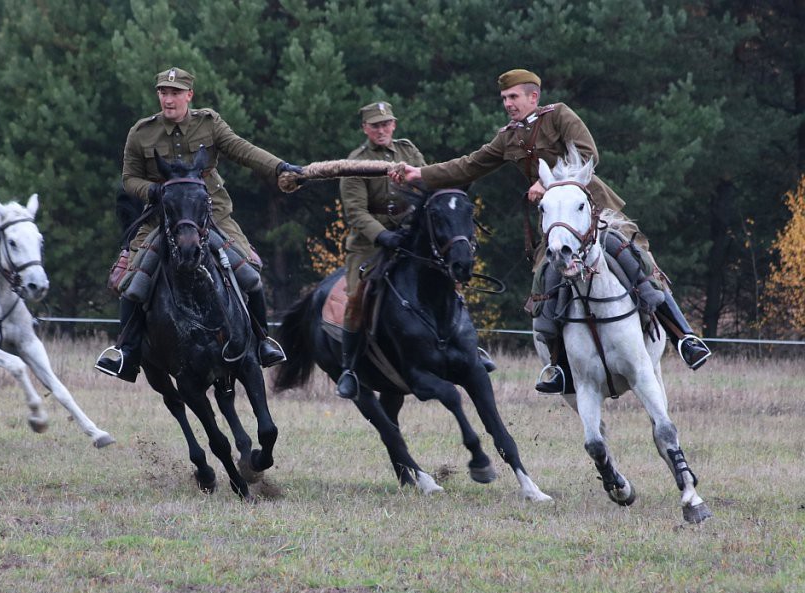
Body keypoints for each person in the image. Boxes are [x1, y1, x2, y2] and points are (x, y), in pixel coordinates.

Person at [393, 69, 710, 393]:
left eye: (513, 97)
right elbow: (469, 165)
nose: (508, 104)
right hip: (557, 224)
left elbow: (589, 154)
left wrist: (546, 182)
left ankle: (684, 338)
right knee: (544, 280)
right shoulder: (509, 136)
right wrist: (421, 174)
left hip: (595, 211)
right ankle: (559, 367)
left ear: (533, 96)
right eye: (504, 98)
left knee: (638, 259)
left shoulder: (559, 116)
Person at [96, 67, 302, 381]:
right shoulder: (141, 132)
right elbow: (128, 180)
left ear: (189, 95)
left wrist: (280, 168)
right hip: (160, 218)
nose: (168, 99)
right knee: (133, 283)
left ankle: (262, 343)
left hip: (212, 215)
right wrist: (152, 190)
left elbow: (243, 150)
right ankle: (126, 353)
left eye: (175, 93)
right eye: (163, 92)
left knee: (249, 274)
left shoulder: (209, 124)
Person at [334, 101, 495, 400]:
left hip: (411, 236)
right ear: (365, 129)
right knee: (357, 297)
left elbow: (427, 184)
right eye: (375, 125)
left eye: (386, 124)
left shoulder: (408, 151)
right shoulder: (354, 163)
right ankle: (350, 367)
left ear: (393, 125)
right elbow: (355, 213)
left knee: (446, 277)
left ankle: (470, 349)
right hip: (369, 245)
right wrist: (383, 236)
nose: (381, 130)